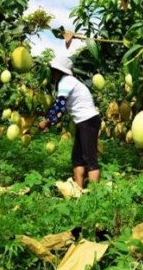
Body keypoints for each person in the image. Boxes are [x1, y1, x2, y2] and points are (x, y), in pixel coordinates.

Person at [39, 55, 101, 189]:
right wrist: (49, 121)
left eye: (54, 69)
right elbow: (61, 107)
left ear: (59, 71)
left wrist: (47, 121)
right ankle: (78, 189)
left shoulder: (66, 81)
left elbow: (60, 106)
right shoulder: (68, 82)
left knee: (90, 158)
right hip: (83, 122)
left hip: (88, 121)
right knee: (77, 158)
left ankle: (95, 195)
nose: (53, 72)